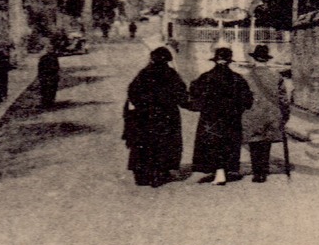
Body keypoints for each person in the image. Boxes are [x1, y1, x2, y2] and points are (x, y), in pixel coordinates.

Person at [123, 47, 189, 187]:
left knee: (144, 143)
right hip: (166, 116)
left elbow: (132, 92)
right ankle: (160, 173)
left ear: (152, 59)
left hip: (145, 116)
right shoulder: (171, 74)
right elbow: (181, 95)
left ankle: (141, 175)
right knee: (164, 143)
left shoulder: (144, 74)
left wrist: (141, 106)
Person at [188, 47, 253, 185]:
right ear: (229, 61)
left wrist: (201, 106)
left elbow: (194, 94)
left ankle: (216, 171)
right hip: (231, 118)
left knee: (211, 143)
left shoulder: (206, 77)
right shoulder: (237, 79)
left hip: (210, 118)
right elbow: (248, 101)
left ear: (216, 60)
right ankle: (223, 171)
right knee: (228, 143)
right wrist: (238, 109)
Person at [242, 44, 291, 182]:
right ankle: (264, 170)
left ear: (254, 59)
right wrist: (285, 115)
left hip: (252, 113)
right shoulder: (276, 76)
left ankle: (257, 172)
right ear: (266, 59)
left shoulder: (246, 77)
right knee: (266, 141)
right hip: (271, 114)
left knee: (254, 142)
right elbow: (284, 99)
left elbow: (242, 97)